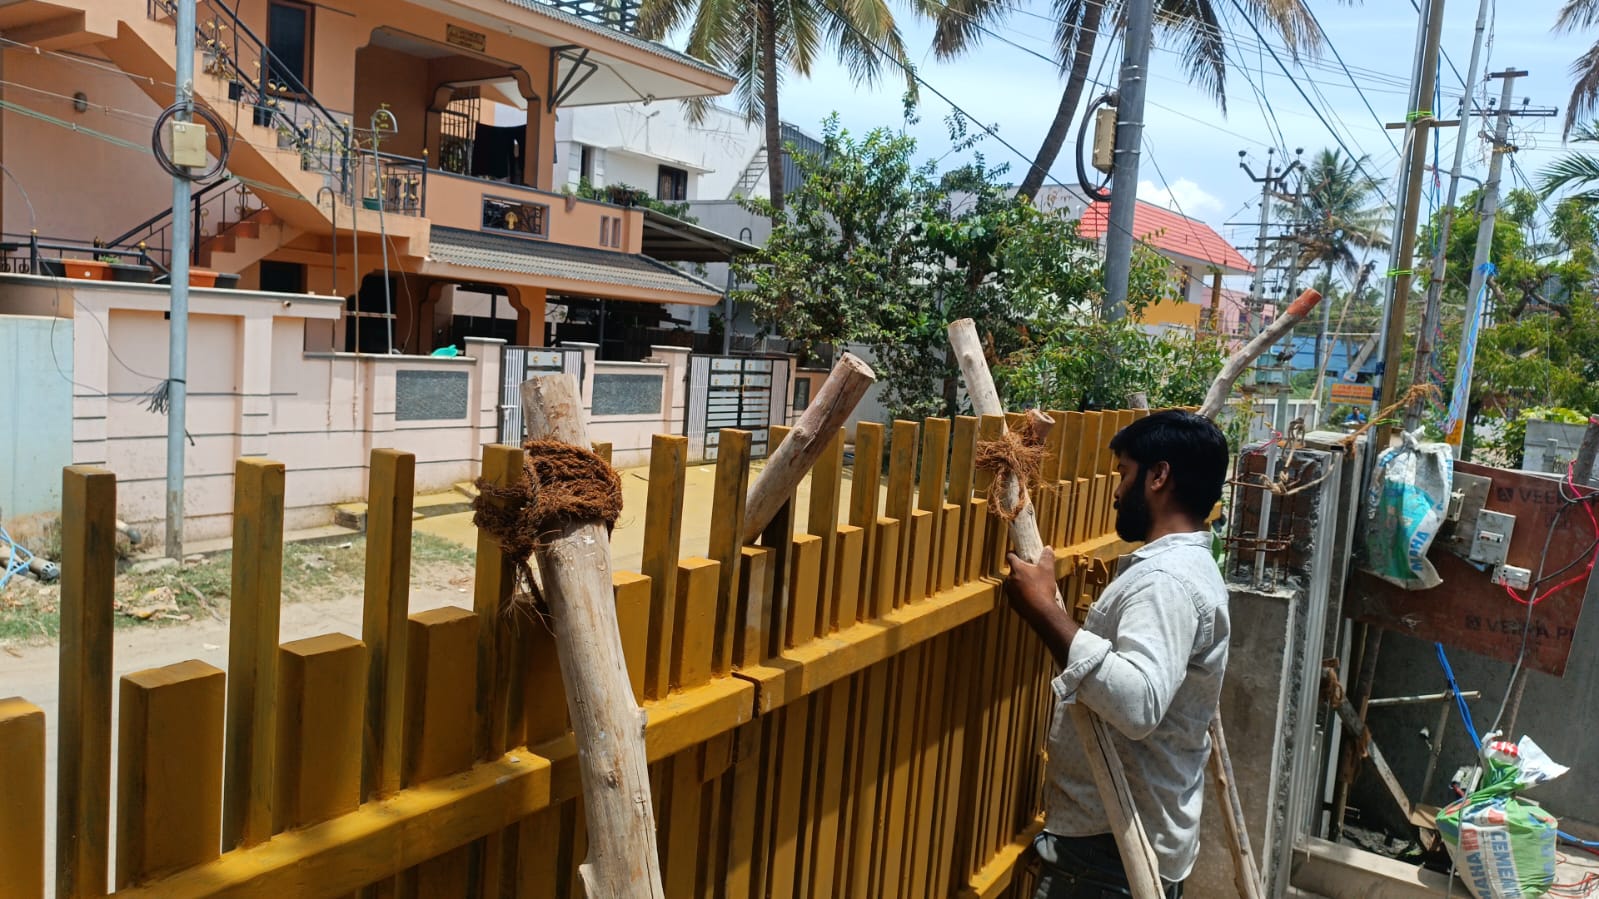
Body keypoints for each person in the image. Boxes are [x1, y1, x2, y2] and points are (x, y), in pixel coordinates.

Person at [1004, 409, 1231, 898]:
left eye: (1124, 473)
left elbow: (1136, 703)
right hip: (1123, 847)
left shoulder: (1166, 582)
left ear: (1158, 475)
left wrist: (1044, 611)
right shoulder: (1188, 565)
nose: (1115, 491)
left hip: (1111, 855)